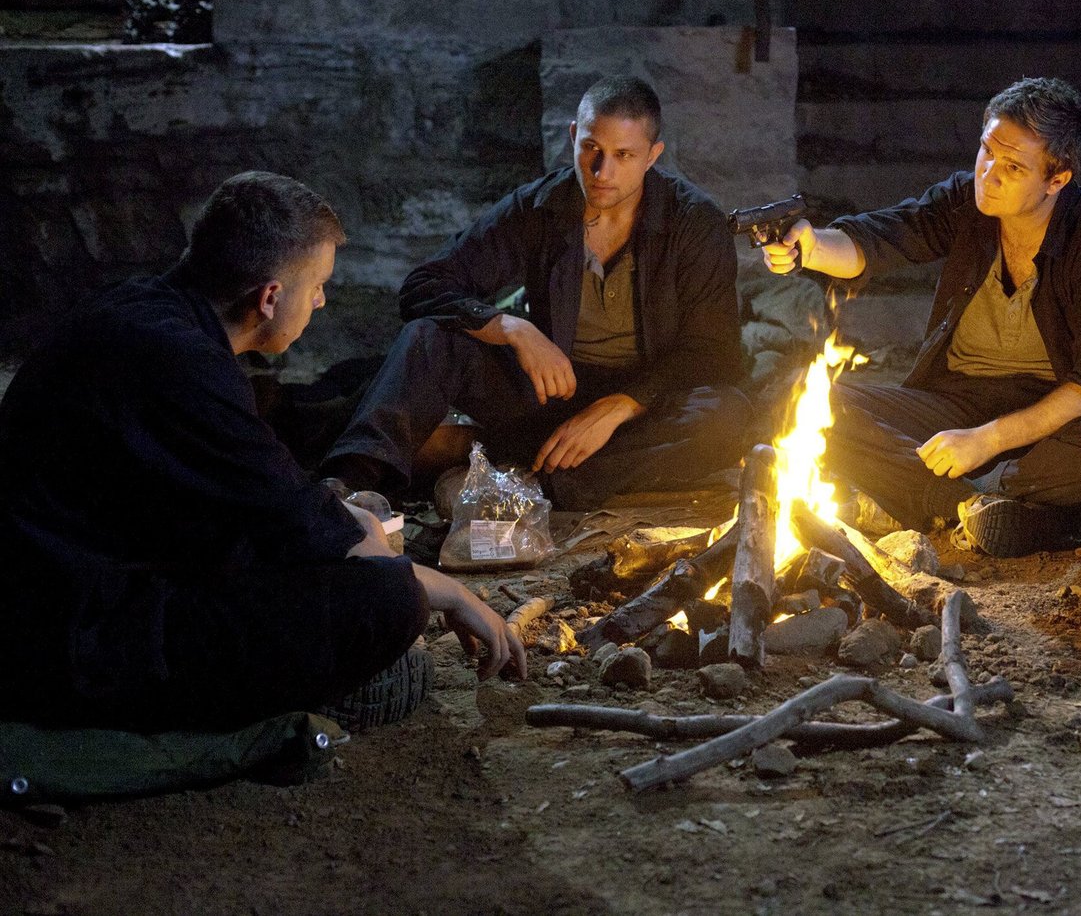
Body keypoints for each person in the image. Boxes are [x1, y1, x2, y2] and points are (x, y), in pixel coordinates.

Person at [0, 171, 526, 733]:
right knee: (391, 600)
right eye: (317, 285)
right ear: (270, 297)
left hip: (79, 582)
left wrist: (347, 526)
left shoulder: (139, 311)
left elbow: (262, 495)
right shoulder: (185, 365)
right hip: (73, 634)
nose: (321, 300)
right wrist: (449, 592)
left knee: (350, 547)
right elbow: (296, 523)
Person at [762, 77, 1081, 557]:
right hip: (958, 401)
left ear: (1057, 179)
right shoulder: (967, 203)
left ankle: (967, 495)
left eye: (1013, 167)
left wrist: (986, 441)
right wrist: (811, 247)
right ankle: (974, 505)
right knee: (800, 400)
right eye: (986, 151)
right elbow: (885, 237)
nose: (989, 173)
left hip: (1053, 423)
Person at [321, 76, 749, 509]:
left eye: (624, 155)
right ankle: (347, 486)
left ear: (652, 156)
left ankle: (531, 485)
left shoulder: (693, 223)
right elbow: (424, 286)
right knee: (428, 337)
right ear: (573, 136)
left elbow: (712, 353)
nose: (602, 172)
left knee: (728, 416)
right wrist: (511, 328)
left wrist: (622, 405)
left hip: (641, 412)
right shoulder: (539, 207)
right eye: (591, 148)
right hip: (548, 396)